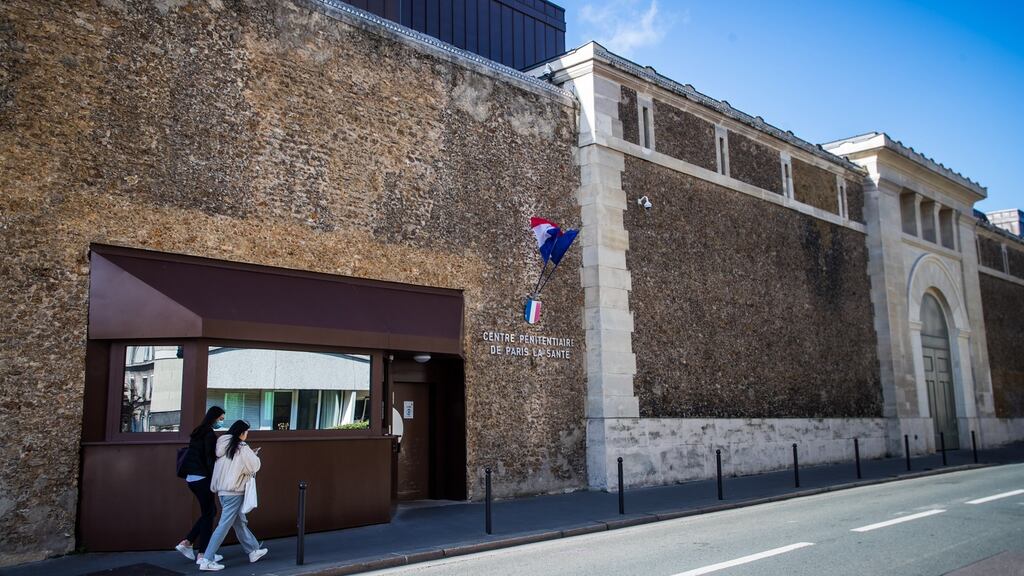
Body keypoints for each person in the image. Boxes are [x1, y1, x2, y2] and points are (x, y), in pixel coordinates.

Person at [199, 420, 267, 571]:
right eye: (247, 431)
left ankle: (253, 550)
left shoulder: (223, 445)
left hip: (223, 492)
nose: (247, 434)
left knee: (239, 522)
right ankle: (207, 559)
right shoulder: (241, 447)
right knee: (224, 525)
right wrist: (254, 455)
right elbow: (254, 466)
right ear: (241, 433)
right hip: (235, 491)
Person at [174, 406, 225, 565]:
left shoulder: (198, 432)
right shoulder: (209, 434)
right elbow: (209, 459)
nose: (221, 422)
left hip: (192, 478)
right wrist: (216, 479)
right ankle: (203, 554)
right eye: (221, 419)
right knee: (209, 514)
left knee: (208, 512)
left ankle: (188, 543)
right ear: (214, 417)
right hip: (203, 478)